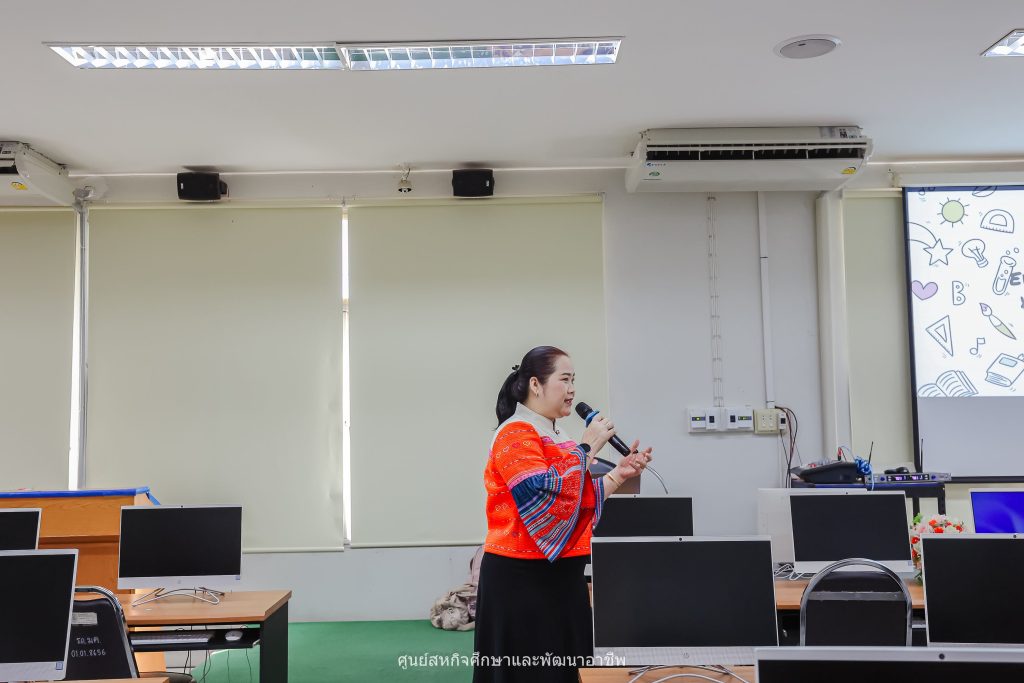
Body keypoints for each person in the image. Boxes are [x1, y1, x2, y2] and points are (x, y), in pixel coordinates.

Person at [473, 345, 653, 683]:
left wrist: (619, 474)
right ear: (535, 385)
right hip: (521, 579)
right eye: (564, 379)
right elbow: (541, 494)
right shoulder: (515, 432)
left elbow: (572, 499)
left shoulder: (558, 435)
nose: (572, 390)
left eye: (574, 381)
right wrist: (589, 446)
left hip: (562, 577)